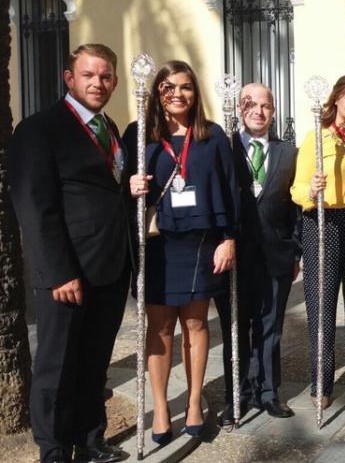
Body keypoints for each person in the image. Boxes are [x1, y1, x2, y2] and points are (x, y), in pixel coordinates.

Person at [11, 44, 131, 463]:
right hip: (67, 273)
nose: (98, 83)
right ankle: (54, 449)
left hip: (110, 267)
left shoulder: (109, 128)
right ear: (69, 78)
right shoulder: (39, 129)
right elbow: (34, 206)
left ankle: (90, 438)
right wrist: (59, 272)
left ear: (115, 82)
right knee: (57, 366)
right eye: (88, 75)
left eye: (105, 76)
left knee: (94, 361)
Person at [126, 60, 238, 443]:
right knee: (160, 328)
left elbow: (229, 189)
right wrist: (131, 186)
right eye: (169, 87)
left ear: (195, 93)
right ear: (157, 93)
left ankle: (193, 403)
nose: (178, 94)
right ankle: (160, 407)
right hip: (159, 245)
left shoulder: (212, 135)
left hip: (201, 244)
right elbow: (117, 185)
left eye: (186, 87)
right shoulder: (139, 135)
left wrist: (229, 238)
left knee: (195, 324)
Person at [291, 74, 345, 409]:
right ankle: (322, 381)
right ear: (337, 100)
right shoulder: (317, 137)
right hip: (324, 221)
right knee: (322, 306)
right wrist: (311, 190)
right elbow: (297, 189)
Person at [216, 83, 300, 426]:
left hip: (275, 254)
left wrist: (295, 250)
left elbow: (296, 207)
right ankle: (236, 395)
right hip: (235, 255)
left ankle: (268, 391)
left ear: (274, 111)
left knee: (270, 327)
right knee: (235, 328)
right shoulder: (224, 148)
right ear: (239, 109)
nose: (258, 111)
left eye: (265, 106)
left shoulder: (288, 153)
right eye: (250, 104)